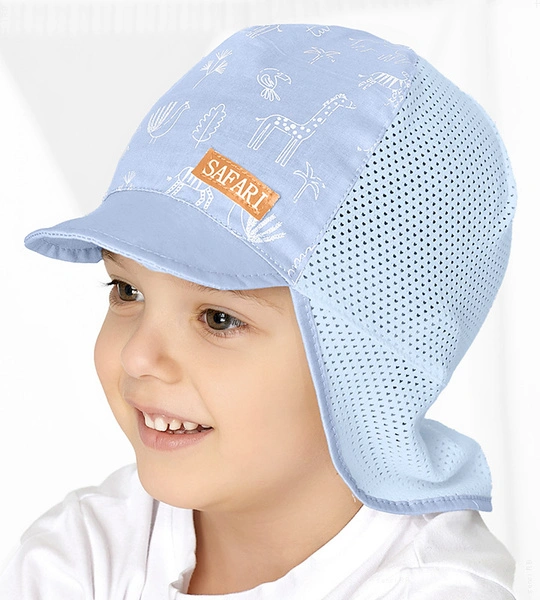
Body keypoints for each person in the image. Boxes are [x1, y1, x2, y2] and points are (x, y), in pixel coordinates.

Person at [0, 23, 517, 599]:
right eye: (127, 291)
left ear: (363, 367)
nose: (138, 356)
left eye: (218, 319)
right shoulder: (84, 552)